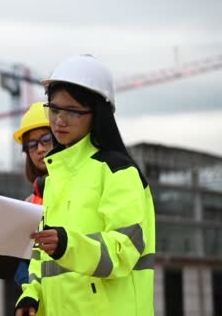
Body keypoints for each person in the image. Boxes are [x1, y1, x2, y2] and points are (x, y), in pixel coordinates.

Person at [15, 54, 156, 316]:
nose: (60, 120)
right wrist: (31, 295)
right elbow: (41, 255)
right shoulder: (56, 178)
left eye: (73, 111)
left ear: (97, 114)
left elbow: (124, 250)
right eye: (55, 109)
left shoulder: (118, 171)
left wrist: (67, 245)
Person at [12, 102, 56, 287]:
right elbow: (22, 261)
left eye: (46, 139)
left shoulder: (82, 190)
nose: (39, 149)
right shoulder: (29, 203)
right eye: (31, 145)